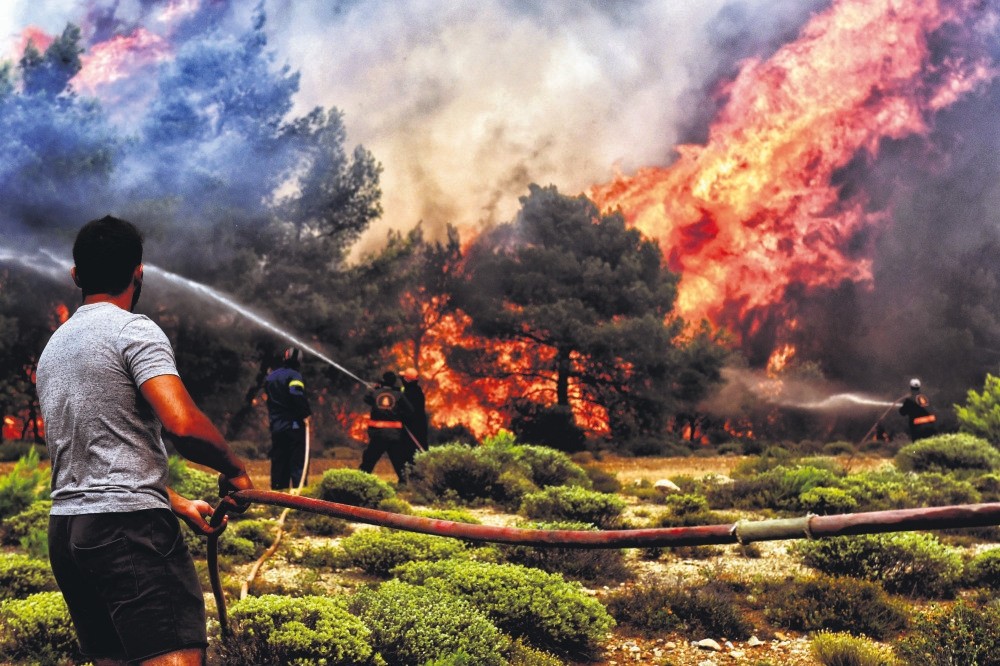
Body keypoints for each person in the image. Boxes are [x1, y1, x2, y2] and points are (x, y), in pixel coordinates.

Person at [35, 215, 253, 666]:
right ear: (139, 271)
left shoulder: (55, 347)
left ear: (76, 275)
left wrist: (175, 501)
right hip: (127, 532)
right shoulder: (132, 330)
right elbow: (183, 425)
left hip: (69, 534)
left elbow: (95, 455)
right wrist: (234, 471)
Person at [264, 347, 312, 490]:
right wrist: (305, 413)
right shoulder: (295, 376)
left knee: (279, 461)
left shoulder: (271, 377)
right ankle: (299, 497)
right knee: (297, 462)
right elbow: (296, 394)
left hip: (276, 426)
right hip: (293, 426)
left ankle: (278, 495)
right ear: (299, 361)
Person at [359, 370, 414, 482]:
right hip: (394, 436)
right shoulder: (399, 395)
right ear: (394, 382)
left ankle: (360, 481)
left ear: (383, 381)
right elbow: (410, 411)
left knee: (369, 461)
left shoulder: (375, 393)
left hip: (377, 435)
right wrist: (398, 414)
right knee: (399, 461)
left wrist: (374, 388)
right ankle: (404, 483)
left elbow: (366, 399)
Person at [400, 366, 428, 453]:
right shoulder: (417, 391)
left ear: (407, 380)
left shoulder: (411, 394)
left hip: (411, 428)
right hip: (419, 426)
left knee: (413, 451)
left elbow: (407, 411)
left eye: (403, 378)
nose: (401, 380)